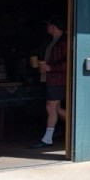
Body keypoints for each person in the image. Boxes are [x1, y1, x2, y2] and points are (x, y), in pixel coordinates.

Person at [31, 16, 68, 148]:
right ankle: (78, 126)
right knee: (55, 108)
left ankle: (47, 139)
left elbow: (70, 63)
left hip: (58, 79)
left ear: (54, 27)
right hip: (51, 78)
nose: (47, 28)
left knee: (51, 107)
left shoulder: (64, 42)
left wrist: (51, 67)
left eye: (48, 25)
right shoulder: (51, 41)